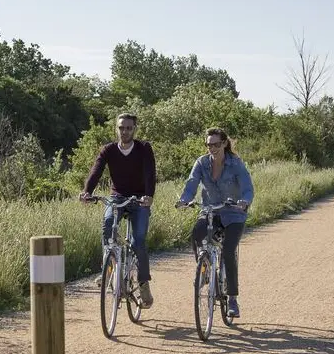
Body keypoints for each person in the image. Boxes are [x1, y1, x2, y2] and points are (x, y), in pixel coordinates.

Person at [79, 112, 157, 307]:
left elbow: (150, 173)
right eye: (121, 127)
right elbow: (96, 170)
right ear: (117, 128)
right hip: (117, 196)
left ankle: (143, 282)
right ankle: (109, 269)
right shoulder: (109, 150)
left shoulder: (144, 148)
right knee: (107, 225)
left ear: (134, 129)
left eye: (129, 128)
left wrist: (149, 195)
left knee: (138, 241)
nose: (125, 131)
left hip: (139, 199)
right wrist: (87, 191)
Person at [175, 127, 254, 318]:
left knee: (228, 250)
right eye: (209, 145)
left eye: (216, 144)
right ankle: (204, 269)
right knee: (197, 234)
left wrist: (244, 201)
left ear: (224, 143)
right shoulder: (201, 163)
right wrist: (185, 200)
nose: (212, 148)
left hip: (234, 214)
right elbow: (191, 184)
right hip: (210, 211)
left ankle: (232, 298)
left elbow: (247, 187)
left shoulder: (235, 163)